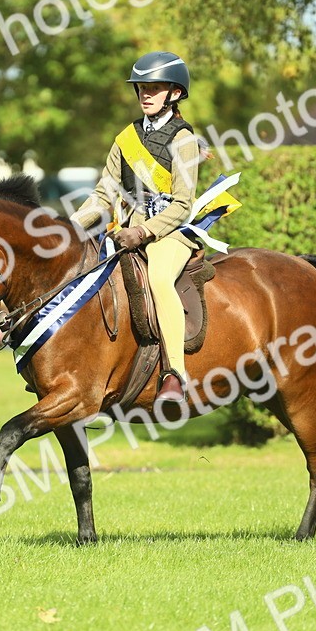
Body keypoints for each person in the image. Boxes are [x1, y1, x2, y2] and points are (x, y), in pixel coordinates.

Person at [70, 51, 204, 403]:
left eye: (154, 88)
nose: (145, 94)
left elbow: (183, 204)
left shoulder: (184, 141)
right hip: (124, 230)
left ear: (174, 93)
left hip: (170, 233)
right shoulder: (125, 138)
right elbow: (103, 195)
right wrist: (68, 228)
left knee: (159, 278)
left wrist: (144, 232)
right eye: (141, 88)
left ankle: (175, 372)